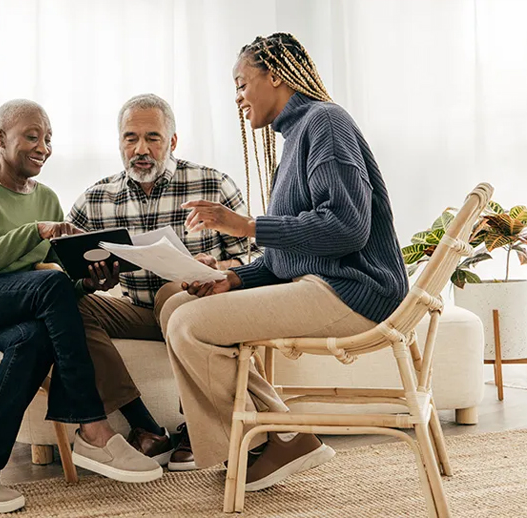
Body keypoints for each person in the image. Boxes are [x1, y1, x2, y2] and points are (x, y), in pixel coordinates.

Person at [0, 94, 256, 471]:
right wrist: (93, 282)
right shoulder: (93, 198)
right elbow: (52, 268)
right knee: (66, 303)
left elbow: (252, 257)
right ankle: (122, 427)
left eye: (153, 138)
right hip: (127, 308)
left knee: (161, 294)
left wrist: (218, 265)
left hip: (189, 305)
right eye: (130, 138)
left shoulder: (212, 184)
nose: (140, 148)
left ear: (172, 142)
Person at [159, 33, 409, 491]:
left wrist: (248, 226)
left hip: (357, 290)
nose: (237, 99)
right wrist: (233, 278)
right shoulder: (296, 137)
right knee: (175, 306)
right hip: (322, 284)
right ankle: (280, 436)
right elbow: (283, 259)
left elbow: (347, 227)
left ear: (275, 75)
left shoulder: (326, 123)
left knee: (187, 324)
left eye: (241, 83)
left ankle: (270, 439)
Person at [0, 99, 161, 514]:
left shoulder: (46, 197)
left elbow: (55, 294)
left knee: (34, 337)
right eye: (32, 136)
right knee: (47, 286)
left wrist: (88, 282)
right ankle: (92, 428)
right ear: (0, 139)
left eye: (48, 138)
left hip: (3, 310)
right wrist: (34, 232)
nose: (43, 146)